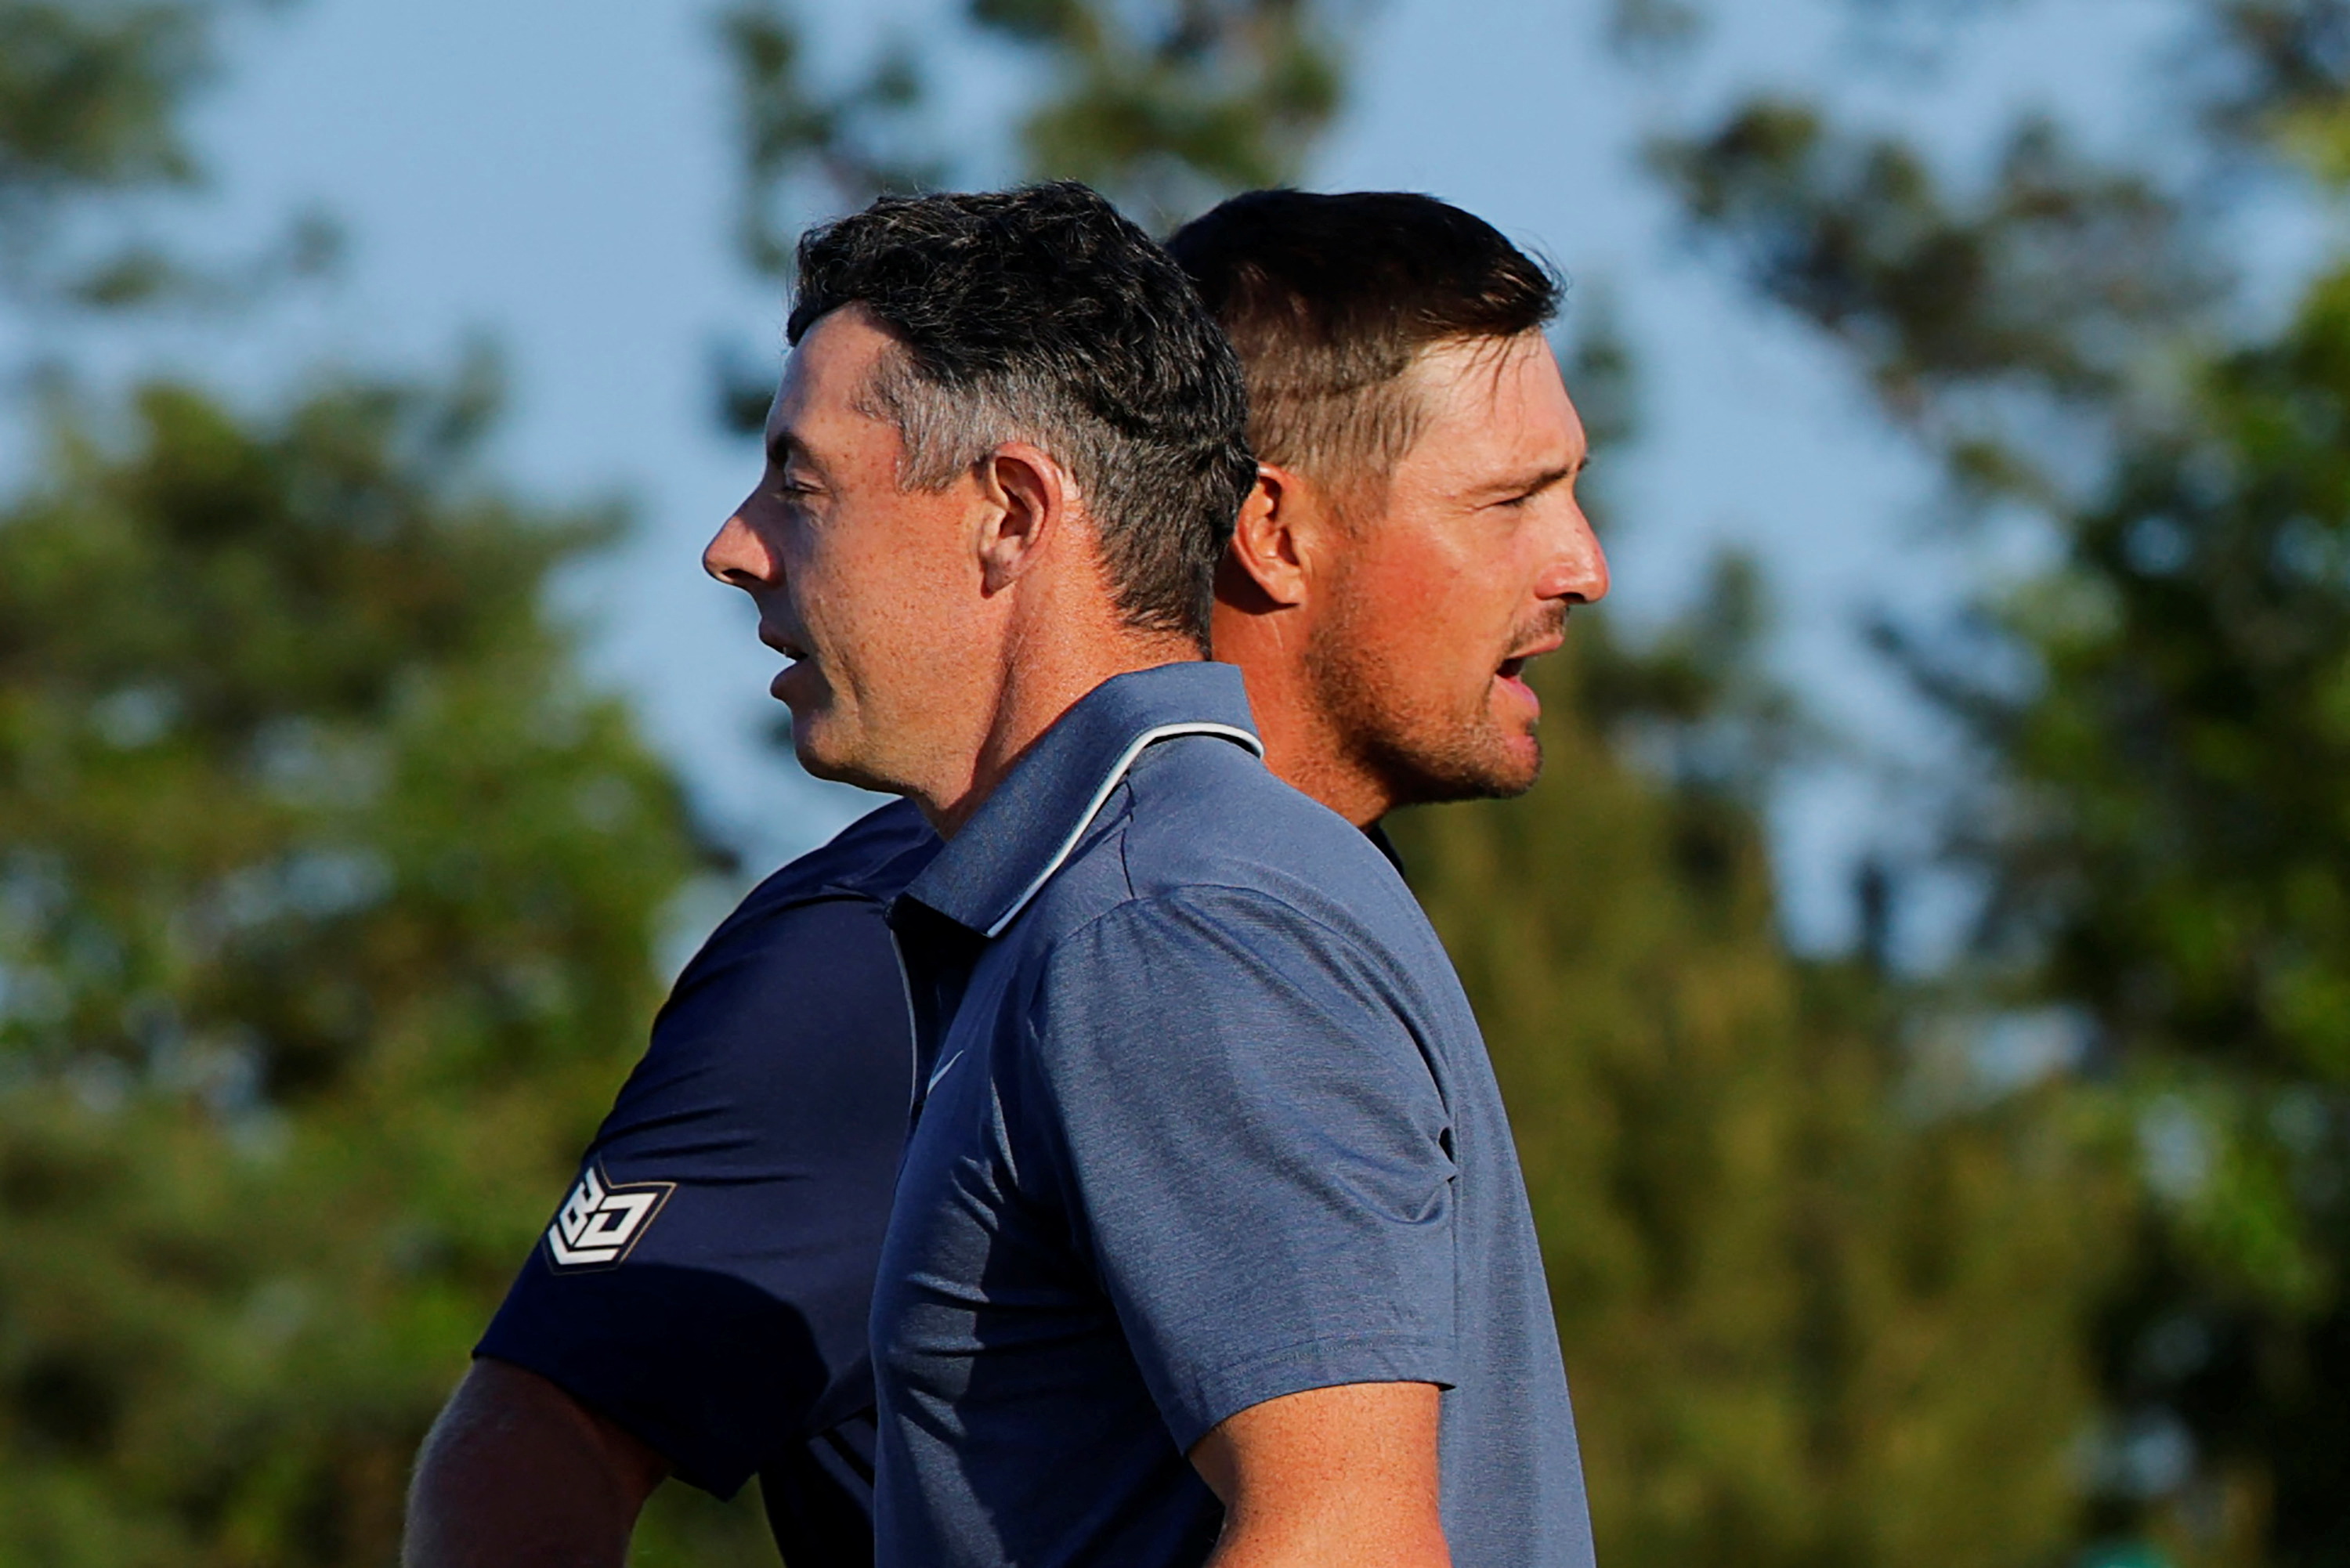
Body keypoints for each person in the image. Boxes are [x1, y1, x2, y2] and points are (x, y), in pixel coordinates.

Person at [403, 186, 1607, 1567]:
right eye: (1515, 498)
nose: (733, 546)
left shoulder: (1177, 919)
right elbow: (531, 1453)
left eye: (802, 483)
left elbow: (1345, 1535)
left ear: (1011, 512)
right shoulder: (1130, 906)